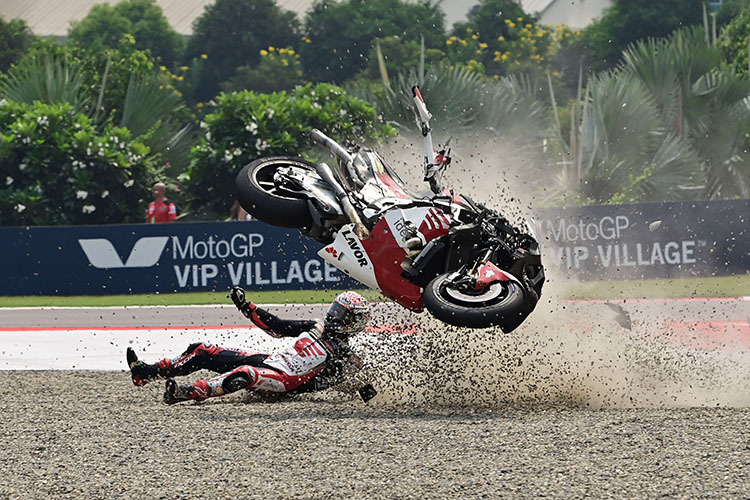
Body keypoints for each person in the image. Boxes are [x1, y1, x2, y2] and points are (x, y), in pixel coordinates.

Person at [126, 288, 372, 404]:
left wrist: (294, 391)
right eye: (335, 310)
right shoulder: (315, 326)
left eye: (342, 314)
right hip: (270, 361)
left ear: (354, 323)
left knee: (246, 374)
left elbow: (345, 384)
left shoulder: (345, 355)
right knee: (202, 349)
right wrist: (247, 307)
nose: (334, 316)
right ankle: (145, 373)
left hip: (283, 380)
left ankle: (190, 392)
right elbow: (276, 326)